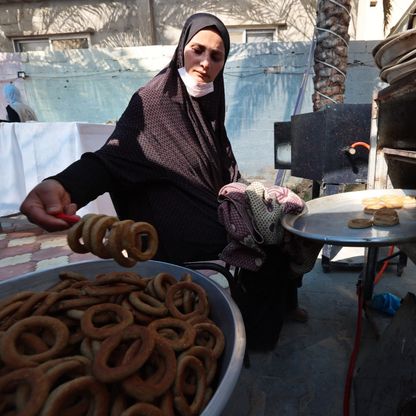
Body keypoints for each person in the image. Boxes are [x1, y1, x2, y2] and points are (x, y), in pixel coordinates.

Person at [20, 12, 316, 351]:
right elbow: (113, 158)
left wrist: (249, 194)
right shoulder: (154, 100)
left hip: (208, 206)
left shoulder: (209, 101)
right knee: (265, 243)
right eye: (198, 50)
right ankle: (256, 335)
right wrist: (65, 184)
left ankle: (281, 305)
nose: (205, 62)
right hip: (172, 224)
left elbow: (224, 164)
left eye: (216, 56)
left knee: (283, 221)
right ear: (181, 50)